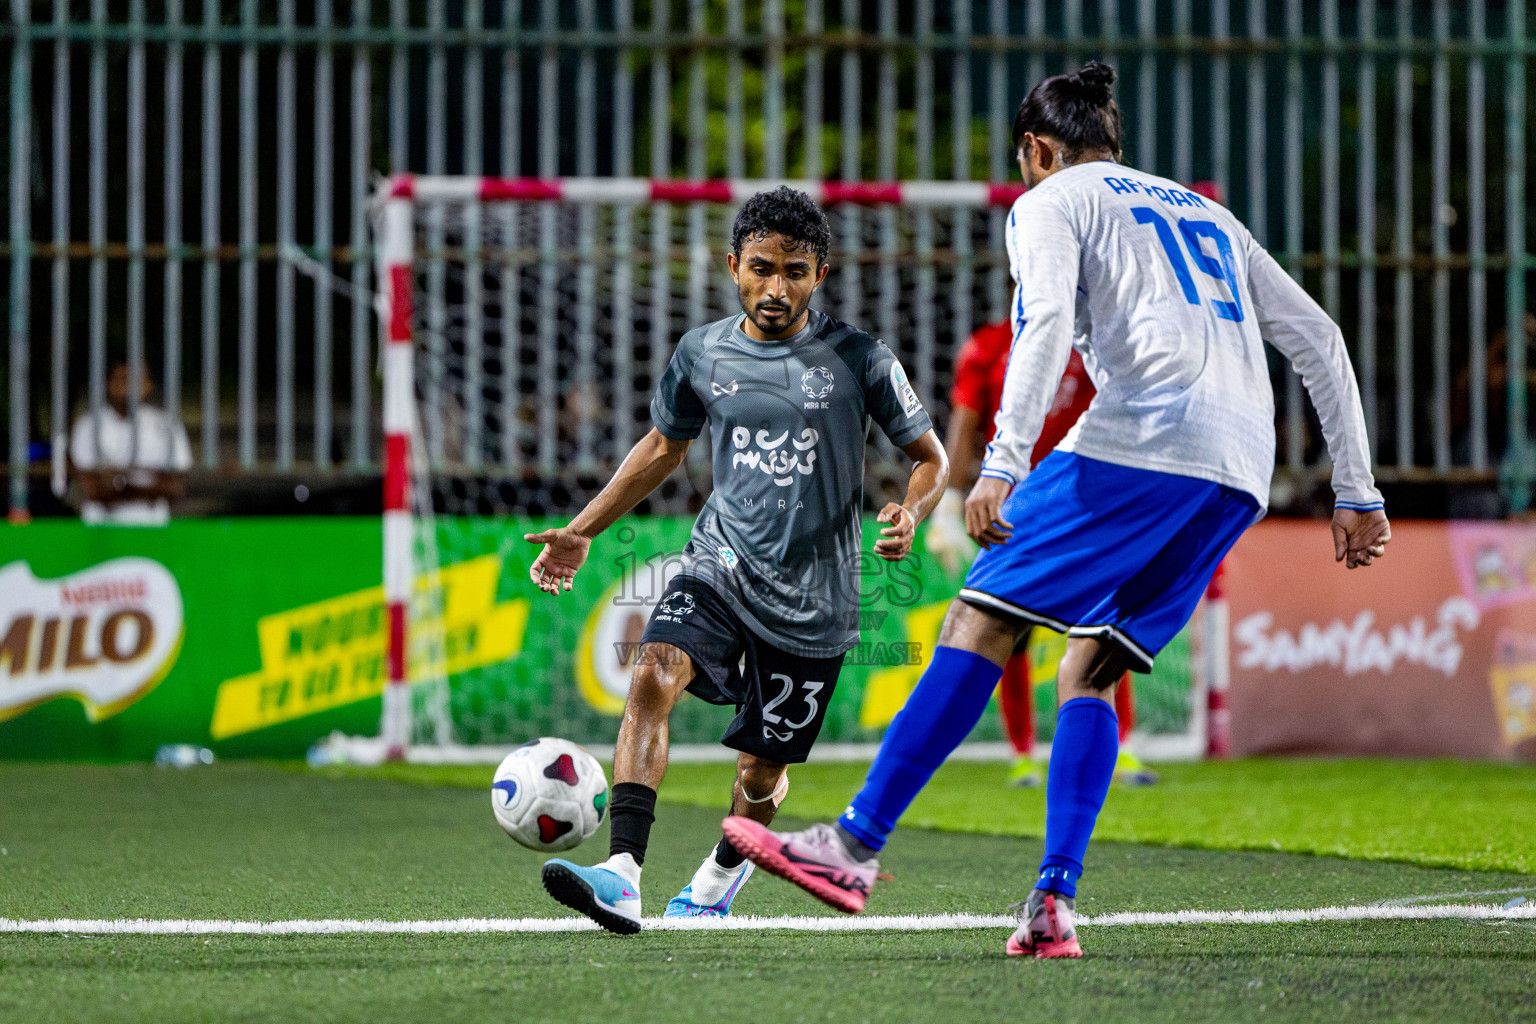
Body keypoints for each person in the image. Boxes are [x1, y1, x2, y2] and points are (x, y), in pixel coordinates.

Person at [723, 61, 1390, 959]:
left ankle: (852, 845)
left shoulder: (1048, 202)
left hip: (1139, 441)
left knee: (980, 618)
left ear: (1036, 149)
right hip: (1239, 468)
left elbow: (1038, 327)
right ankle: (1052, 902)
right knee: (1092, 668)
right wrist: (1356, 488)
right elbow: (1321, 338)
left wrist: (1001, 464)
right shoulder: (1206, 210)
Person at [524, 186, 948, 935]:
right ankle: (622, 875)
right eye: (760, 268)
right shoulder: (701, 352)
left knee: (760, 776)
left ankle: (721, 874)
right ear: (732, 267)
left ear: (820, 273)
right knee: (654, 669)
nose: (775, 288)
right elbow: (662, 447)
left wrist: (910, 511)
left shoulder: (860, 359)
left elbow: (931, 457)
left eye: (793, 270)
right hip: (719, 563)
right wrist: (583, 528)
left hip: (815, 600)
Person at [929, 322, 1154, 788]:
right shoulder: (987, 345)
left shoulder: (1093, 338)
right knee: (1007, 631)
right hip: (1014, 506)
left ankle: (1121, 747)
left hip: (1084, 504)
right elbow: (966, 420)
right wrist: (948, 505)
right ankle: (1023, 754)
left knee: (1105, 627)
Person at [69, 362, 193, 527]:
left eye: (134, 380)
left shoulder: (166, 425)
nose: (127, 386)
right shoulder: (88, 426)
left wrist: (120, 483)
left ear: (148, 385)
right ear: (107, 383)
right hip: (100, 528)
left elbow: (176, 487)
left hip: (153, 527)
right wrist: (150, 486)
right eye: (120, 379)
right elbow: (92, 489)